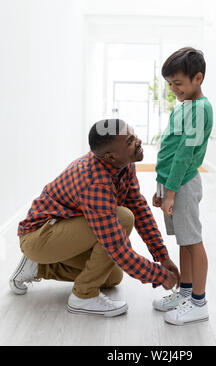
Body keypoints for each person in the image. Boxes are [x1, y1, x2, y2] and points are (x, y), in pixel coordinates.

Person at [10, 119, 180, 317]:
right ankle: (83, 297)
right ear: (111, 156)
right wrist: (159, 276)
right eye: (130, 141)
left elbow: (140, 208)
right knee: (123, 217)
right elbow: (117, 249)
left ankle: (39, 267)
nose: (139, 141)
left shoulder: (123, 164)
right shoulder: (94, 181)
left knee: (112, 277)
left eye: (134, 135)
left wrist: (162, 257)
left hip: (61, 231)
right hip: (39, 236)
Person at [152, 47, 213, 326]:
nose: (173, 89)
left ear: (197, 78)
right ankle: (185, 292)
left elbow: (185, 154)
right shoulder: (184, 106)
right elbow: (169, 148)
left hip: (184, 185)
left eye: (178, 83)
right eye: (169, 84)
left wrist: (172, 192)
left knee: (193, 241)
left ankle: (199, 303)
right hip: (172, 185)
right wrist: (161, 186)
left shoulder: (200, 109)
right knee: (184, 242)